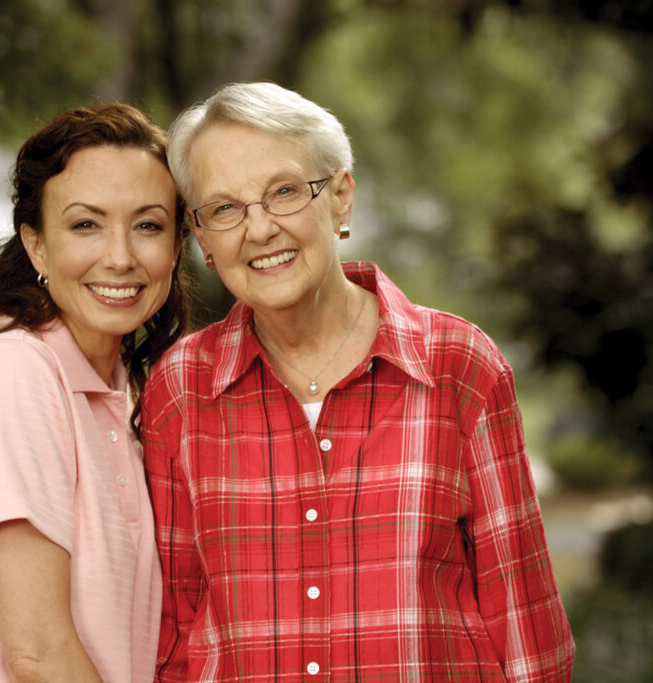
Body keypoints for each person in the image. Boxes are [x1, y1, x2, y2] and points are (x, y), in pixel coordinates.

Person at [142, 82, 574, 682]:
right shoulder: (181, 389)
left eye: (284, 192)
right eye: (224, 209)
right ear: (204, 239)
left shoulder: (460, 367)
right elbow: (172, 630)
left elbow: (527, 631)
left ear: (341, 197)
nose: (259, 229)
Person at [0, 103, 189, 682]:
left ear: (177, 246)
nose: (121, 256)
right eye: (86, 224)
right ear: (36, 247)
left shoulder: (121, 394)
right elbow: (38, 651)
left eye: (148, 225)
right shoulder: (15, 366)